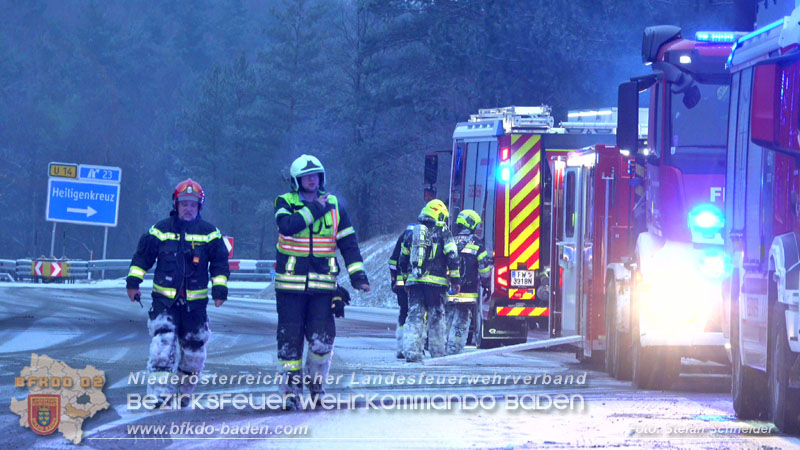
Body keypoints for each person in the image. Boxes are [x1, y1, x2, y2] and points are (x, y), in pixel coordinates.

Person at [274, 154, 370, 409]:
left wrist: (358, 276)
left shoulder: (335, 205)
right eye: (307, 176)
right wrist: (316, 207)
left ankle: (317, 387)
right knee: (290, 340)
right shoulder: (285, 202)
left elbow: (348, 243)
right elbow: (288, 227)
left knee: (322, 341)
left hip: (323, 288)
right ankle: (290, 393)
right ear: (297, 180)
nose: (312, 180)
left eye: (316, 175)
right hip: (290, 287)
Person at [126, 179, 229, 408]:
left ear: (199, 206)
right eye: (184, 204)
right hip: (164, 304)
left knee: (194, 355)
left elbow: (221, 264)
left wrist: (220, 288)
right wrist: (133, 282)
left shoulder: (210, 233)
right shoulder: (160, 230)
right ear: (176, 204)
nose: (188, 208)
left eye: (193, 204)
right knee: (161, 348)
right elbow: (142, 258)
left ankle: (184, 395)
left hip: (196, 307)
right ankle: (159, 395)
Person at [398, 199, 460, 362]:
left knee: (414, 316)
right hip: (436, 285)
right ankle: (437, 351)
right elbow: (452, 256)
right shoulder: (444, 233)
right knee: (437, 316)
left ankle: (411, 352)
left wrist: (405, 280)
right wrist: (456, 280)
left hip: (415, 284)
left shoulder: (412, 233)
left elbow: (402, 259)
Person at [445, 209, 491, 355]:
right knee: (462, 319)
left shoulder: (449, 239)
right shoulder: (477, 242)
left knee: (447, 316)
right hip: (468, 291)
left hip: (449, 288)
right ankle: (454, 348)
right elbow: (483, 268)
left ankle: (441, 344)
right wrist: (487, 284)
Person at [388, 225, 413, 358]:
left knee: (404, 312)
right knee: (417, 314)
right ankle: (415, 345)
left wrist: (393, 279)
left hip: (400, 284)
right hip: (416, 283)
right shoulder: (426, 236)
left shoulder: (403, 236)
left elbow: (393, 261)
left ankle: (400, 347)